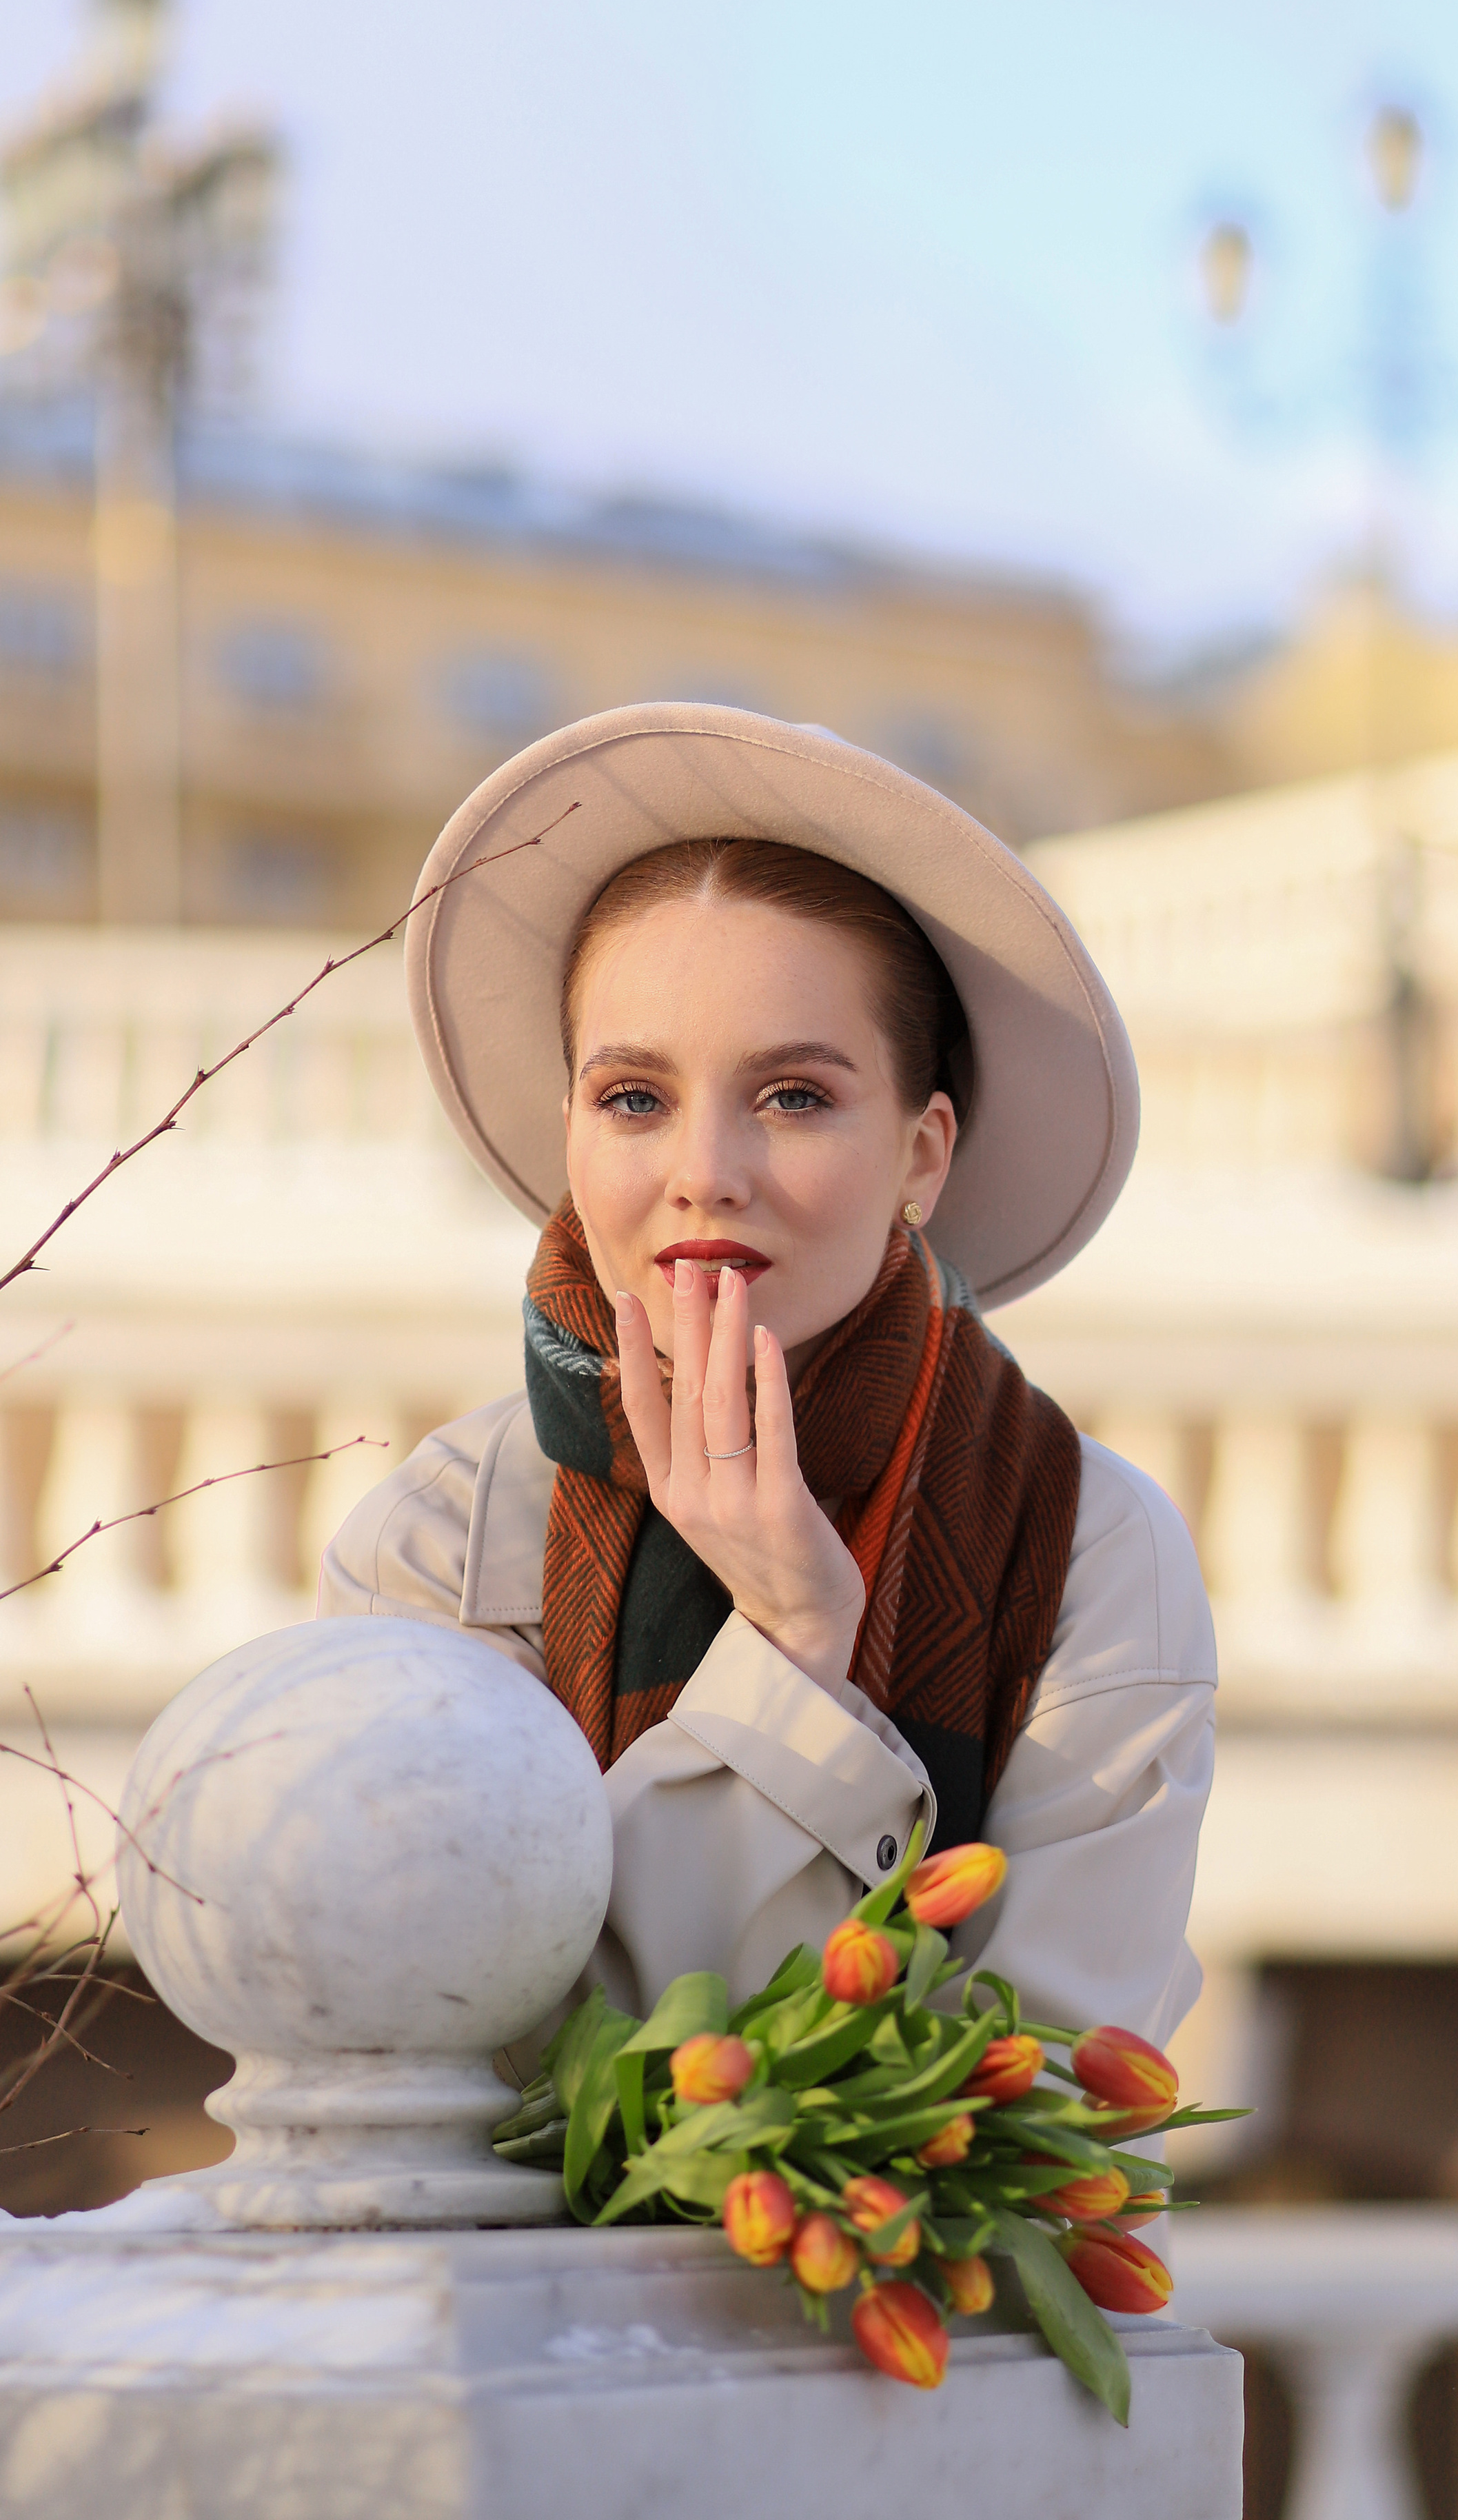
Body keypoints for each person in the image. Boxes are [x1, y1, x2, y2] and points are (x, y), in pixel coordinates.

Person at [320, 704, 1215, 2053]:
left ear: (920, 1155)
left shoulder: (1084, 1549)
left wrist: (793, 1625)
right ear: (570, 1125)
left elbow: (1047, 2127)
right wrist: (793, 1644)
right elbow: (440, 2067)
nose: (704, 1172)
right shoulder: (446, 1537)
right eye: (633, 1098)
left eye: (793, 1096)